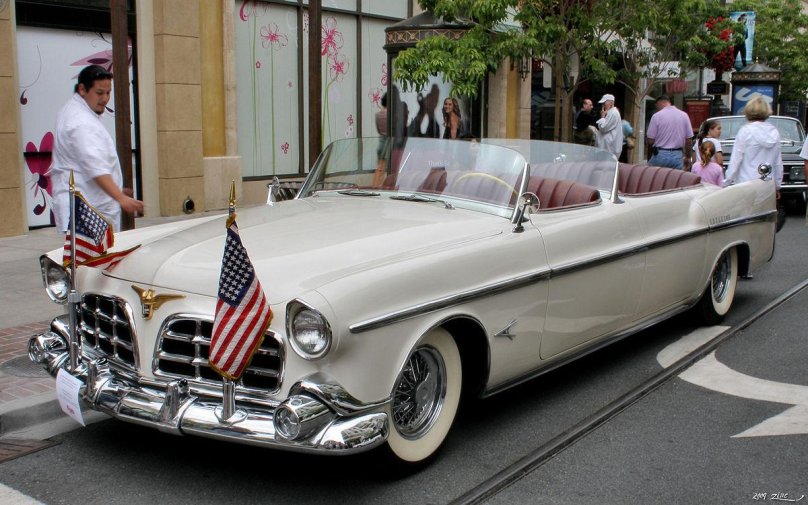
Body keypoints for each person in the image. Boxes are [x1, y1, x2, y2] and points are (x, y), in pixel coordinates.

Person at [49, 64, 143, 232]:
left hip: (88, 203)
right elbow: (95, 167)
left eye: (108, 93)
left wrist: (115, 189)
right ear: (82, 89)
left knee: (90, 257)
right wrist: (120, 197)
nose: (105, 99)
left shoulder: (74, 110)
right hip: (88, 210)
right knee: (92, 257)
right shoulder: (80, 122)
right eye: (99, 93)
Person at [724, 96, 783, 196]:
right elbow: (777, 163)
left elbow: (736, 160)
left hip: (746, 184)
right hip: (767, 185)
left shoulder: (745, 131)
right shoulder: (775, 133)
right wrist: (777, 186)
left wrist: (726, 183)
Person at [646, 95, 693, 170]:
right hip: (678, 155)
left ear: (659, 104)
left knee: (655, 179)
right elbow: (689, 140)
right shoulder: (684, 115)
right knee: (676, 180)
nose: (657, 109)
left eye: (656, 107)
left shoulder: (656, 116)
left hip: (660, 154)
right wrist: (688, 157)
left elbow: (650, 140)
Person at [595, 94, 623, 159]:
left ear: (611, 103)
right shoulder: (611, 112)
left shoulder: (613, 113)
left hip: (609, 149)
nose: (603, 104)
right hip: (607, 148)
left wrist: (602, 117)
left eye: (604, 102)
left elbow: (603, 128)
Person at [373, 92, 389, 187]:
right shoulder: (390, 115)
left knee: (379, 167)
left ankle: (374, 186)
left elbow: (378, 130)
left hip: (380, 143)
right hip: (387, 143)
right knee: (384, 169)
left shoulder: (377, 115)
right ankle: (378, 187)